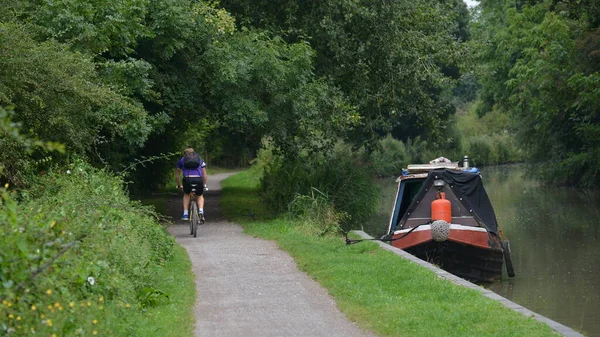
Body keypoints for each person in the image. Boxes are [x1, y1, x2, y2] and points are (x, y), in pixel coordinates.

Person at [175, 148, 208, 221]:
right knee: (200, 195)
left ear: (184, 154)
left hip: (187, 179)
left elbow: (177, 175)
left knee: (186, 194)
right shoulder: (199, 159)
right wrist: (204, 185)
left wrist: (179, 184)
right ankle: (201, 211)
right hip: (198, 179)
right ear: (194, 153)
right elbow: (204, 174)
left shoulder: (182, 160)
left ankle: (185, 214)